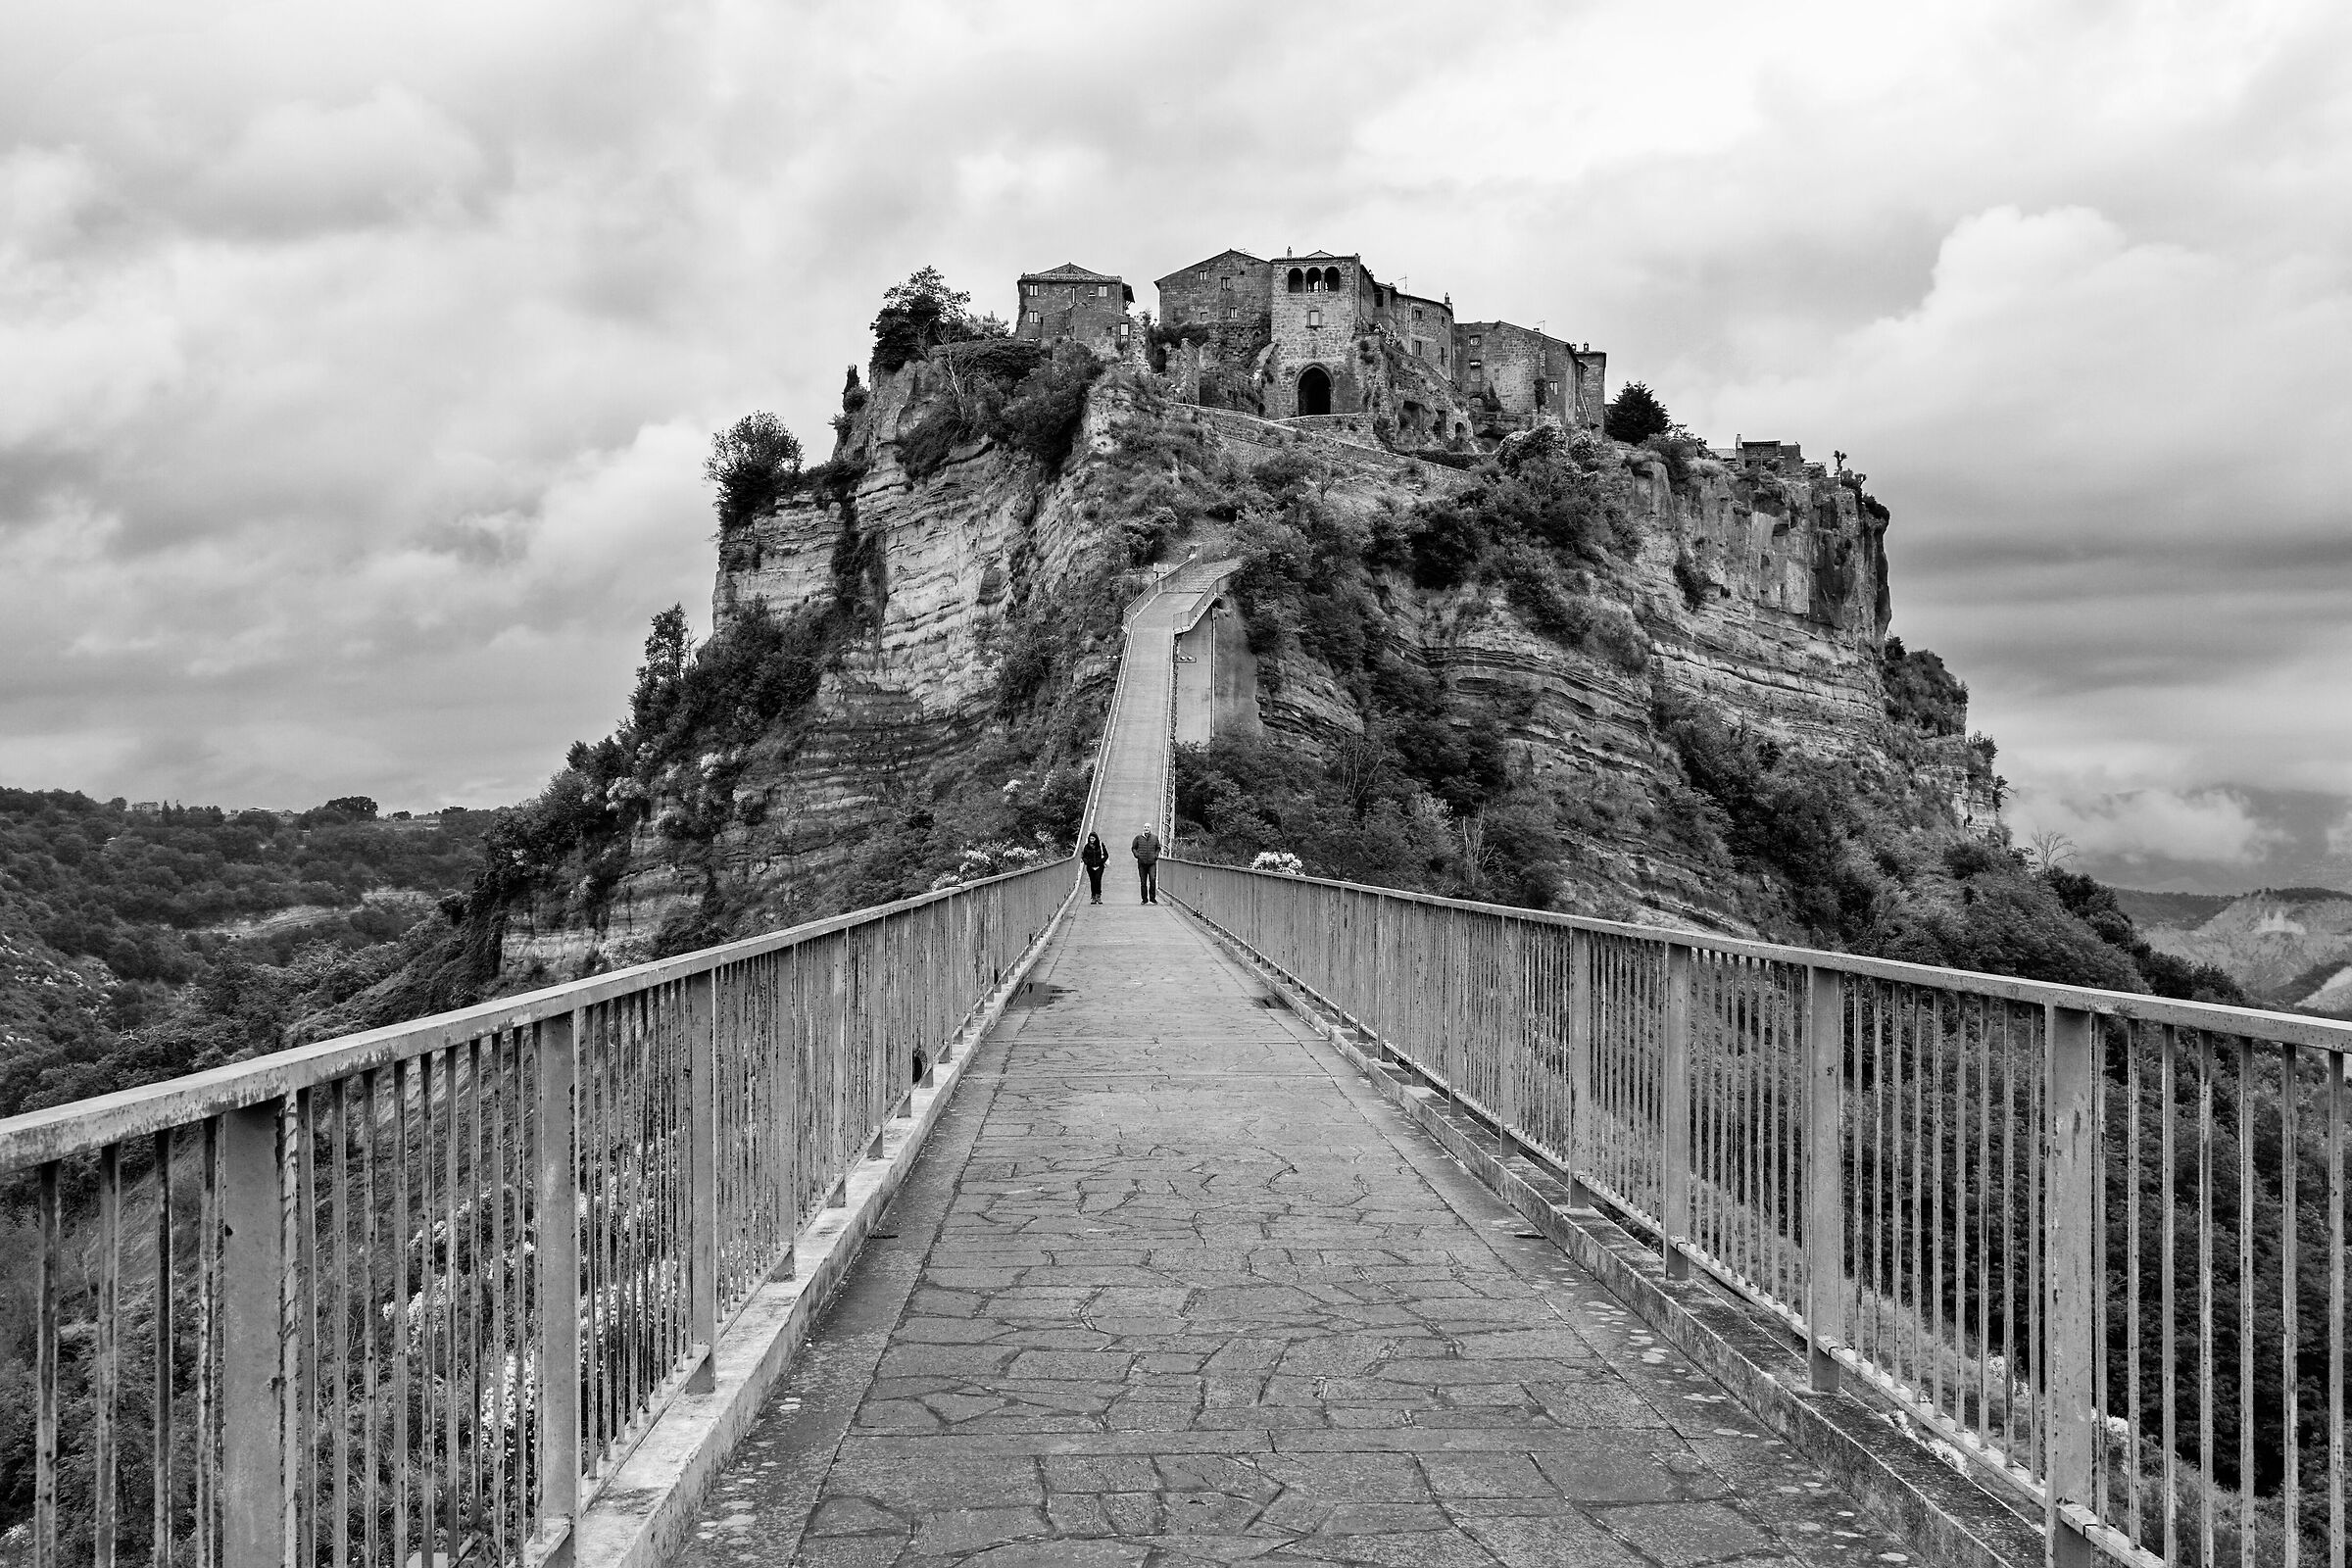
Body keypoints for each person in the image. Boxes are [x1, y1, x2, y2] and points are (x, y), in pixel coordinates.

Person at [1131, 828, 1161, 904]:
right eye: (1145, 827)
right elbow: (1133, 848)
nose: (1146, 828)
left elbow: (1158, 847)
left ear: (1150, 829)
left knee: (1152, 879)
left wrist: (1156, 855)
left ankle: (1152, 898)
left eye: (1148, 827)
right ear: (1143, 829)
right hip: (1142, 863)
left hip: (1152, 863)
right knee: (1143, 882)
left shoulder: (1154, 838)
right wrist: (1137, 855)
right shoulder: (1138, 838)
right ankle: (1144, 899)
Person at [1080, 832, 1108, 903]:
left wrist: (1101, 861)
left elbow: (1106, 855)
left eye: (1093, 838)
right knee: (1092, 881)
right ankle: (1093, 897)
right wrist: (1087, 862)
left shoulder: (1101, 845)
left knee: (1098, 880)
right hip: (1090, 867)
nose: (1092, 840)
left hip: (1099, 866)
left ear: (1096, 838)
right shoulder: (1087, 847)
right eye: (1090, 839)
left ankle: (1098, 896)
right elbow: (1084, 856)